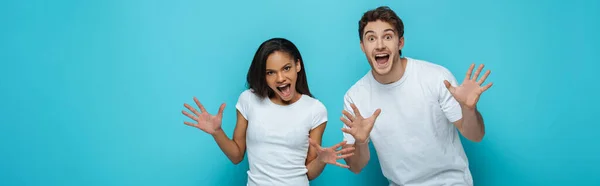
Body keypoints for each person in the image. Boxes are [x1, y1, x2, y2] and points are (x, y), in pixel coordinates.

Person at [339, 6, 494, 186]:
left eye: (388, 36)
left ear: (400, 43)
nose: (379, 45)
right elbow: (356, 167)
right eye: (371, 38)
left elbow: (476, 135)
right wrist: (361, 141)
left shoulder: (436, 77)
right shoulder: (355, 97)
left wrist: (469, 109)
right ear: (363, 47)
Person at [181, 38, 355, 186]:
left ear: (298, 65)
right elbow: (236, 156)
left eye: (286, 68)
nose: (280, 78)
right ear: (263, 76)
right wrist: (217, 132)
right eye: (270, 72)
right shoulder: (248, 100)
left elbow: (308, 172)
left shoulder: (315, 109)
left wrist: (321, 160)